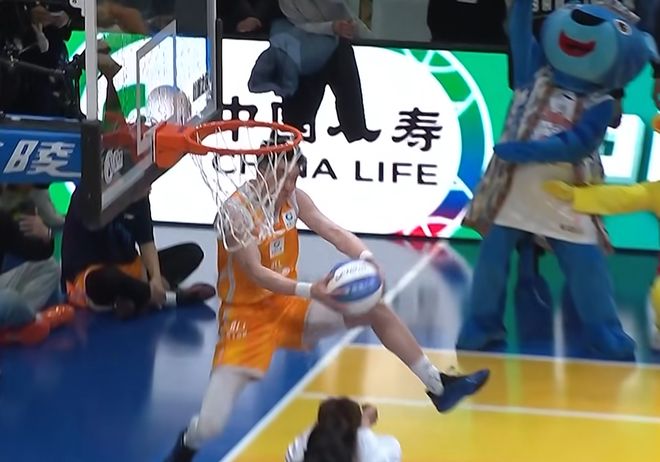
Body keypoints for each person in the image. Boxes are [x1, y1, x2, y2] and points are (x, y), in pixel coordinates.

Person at [163, 138, 490, 462]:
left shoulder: (294, 199)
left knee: (376, 309)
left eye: (295, 177)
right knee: (211, 425)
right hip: (245, 319)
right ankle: (187, 443)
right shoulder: (236, 213)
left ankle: (439, 385)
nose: (291, 185)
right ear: (263, 170)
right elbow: (256, 272)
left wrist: (366, 257)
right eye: (285, 177)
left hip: (288, 306)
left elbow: (331, 230)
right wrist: (311, 290)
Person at [61, 186, 215, 318]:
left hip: (132, 270)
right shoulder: (89, 197)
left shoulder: (140, 198)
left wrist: (155, 278)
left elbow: (146, 242)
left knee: (192, 253)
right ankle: (171, 298)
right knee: (105, 279)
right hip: (90, 275)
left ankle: (136, 296)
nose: (149, 189)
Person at [0, 185, 74, 345]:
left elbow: (35, 252)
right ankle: (33, 320)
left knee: (49, 266)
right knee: (9, 300)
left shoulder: (2, 220)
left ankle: (20, 324)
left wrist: (46, 234)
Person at [285, 398, 402, 462]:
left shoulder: (298, 455)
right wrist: (363, 427)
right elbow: (391, 448)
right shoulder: (376, 455)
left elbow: (299, 446)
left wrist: (326, 421)